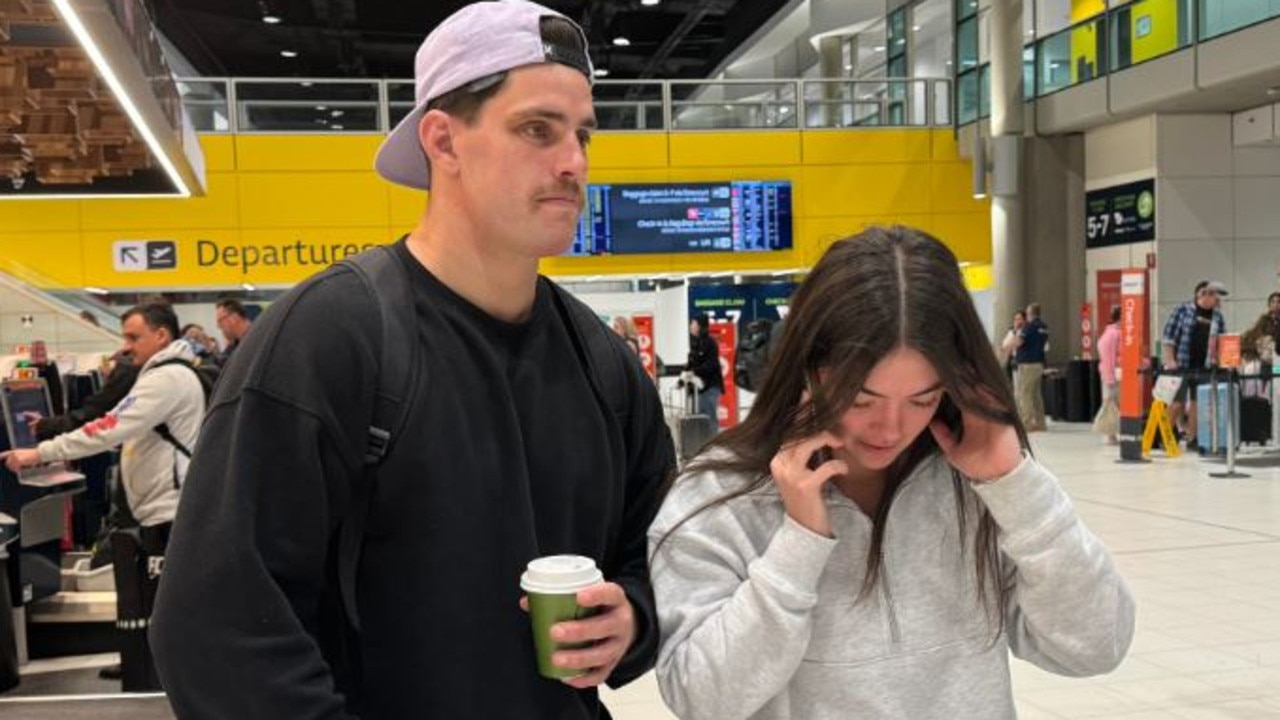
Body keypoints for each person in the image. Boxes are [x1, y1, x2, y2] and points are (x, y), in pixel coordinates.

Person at [149, 3, 675, 718]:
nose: (573, 162)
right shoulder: (333, 339)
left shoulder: (602, 364)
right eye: (536, 129)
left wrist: (633, 617)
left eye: (581, 134)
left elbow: (662, 551)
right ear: (443, 140)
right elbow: (219, 628)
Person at [648, 226, 1134, 720]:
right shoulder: (721, 494)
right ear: (810, 369)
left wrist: (1019, 489)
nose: (890, 428)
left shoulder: (974, 481)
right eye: (861, 398)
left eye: (923, 398)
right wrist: (797, 545)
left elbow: (1095, 646)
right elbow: (699, 697)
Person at [1, 302, 205, 690]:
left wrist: (40, 451)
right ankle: (153, 664)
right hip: (162, 507)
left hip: (169, 508)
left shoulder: (165, 379)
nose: (126, 346)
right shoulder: (165, 373)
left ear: (161, 336)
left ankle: (174, 677)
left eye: (133, 336)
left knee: (171, 601)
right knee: (161, 600)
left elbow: (108, 428)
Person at [1162, 280, 1227, 450]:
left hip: (1204, 366)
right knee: (1177, 404)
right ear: (1204, 294)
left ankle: (1193, 438)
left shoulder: (1217, 316)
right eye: (1215, 295)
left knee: (1198, 403)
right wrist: (1170, 360)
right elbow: (1169, 336)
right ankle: (1162, 435)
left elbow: (1222, 341)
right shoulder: (1183, 310)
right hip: (1181, 364)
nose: (1218, 300)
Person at [683, 313, 725, 424]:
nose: (690, 326)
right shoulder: (696, 343)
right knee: (702, 420)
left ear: (699, 326)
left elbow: (712, 364)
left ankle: (712, 440)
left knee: (709, 418)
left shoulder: (710, 343)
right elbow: (692, 363)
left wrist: (694, 371)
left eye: (693, 323)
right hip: (699, 389)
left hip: (710, 387)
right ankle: (705, 440)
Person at [1013, 302, 1049, 431]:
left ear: (1029, 313)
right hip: (1038, 364)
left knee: (1025, 394)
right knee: (1036, 395)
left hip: (1027, 364)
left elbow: (1019, 342)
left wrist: (1017, 333)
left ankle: (1026, 423)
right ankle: (1041, 423)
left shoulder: (1028, 327)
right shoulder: (1044, 327)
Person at [1093, 305, 1122, 444]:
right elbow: (1109, 357)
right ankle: (1110, 433)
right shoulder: (1114, 334)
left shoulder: (1110, 333)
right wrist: (1110, 377)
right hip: (1114, 374)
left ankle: (1112, 434)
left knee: (1111, 404)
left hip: (1112, 373)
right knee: (1111, 404)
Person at [213, 297, 253, 365]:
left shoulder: (258, 339)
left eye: (220, 321)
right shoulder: (234, 345)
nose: (218, 326)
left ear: (233, 317)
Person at [996, 310, 1025, 382]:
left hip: (1023, 361)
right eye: (1015, 319)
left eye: (1019, 319)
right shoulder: (1011, 331)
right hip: (1012, 360)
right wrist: (1014, 332)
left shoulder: (1026, 332)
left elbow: (1017, 343)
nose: (1017, 321)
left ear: (1024, 320)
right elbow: (1004, 345)